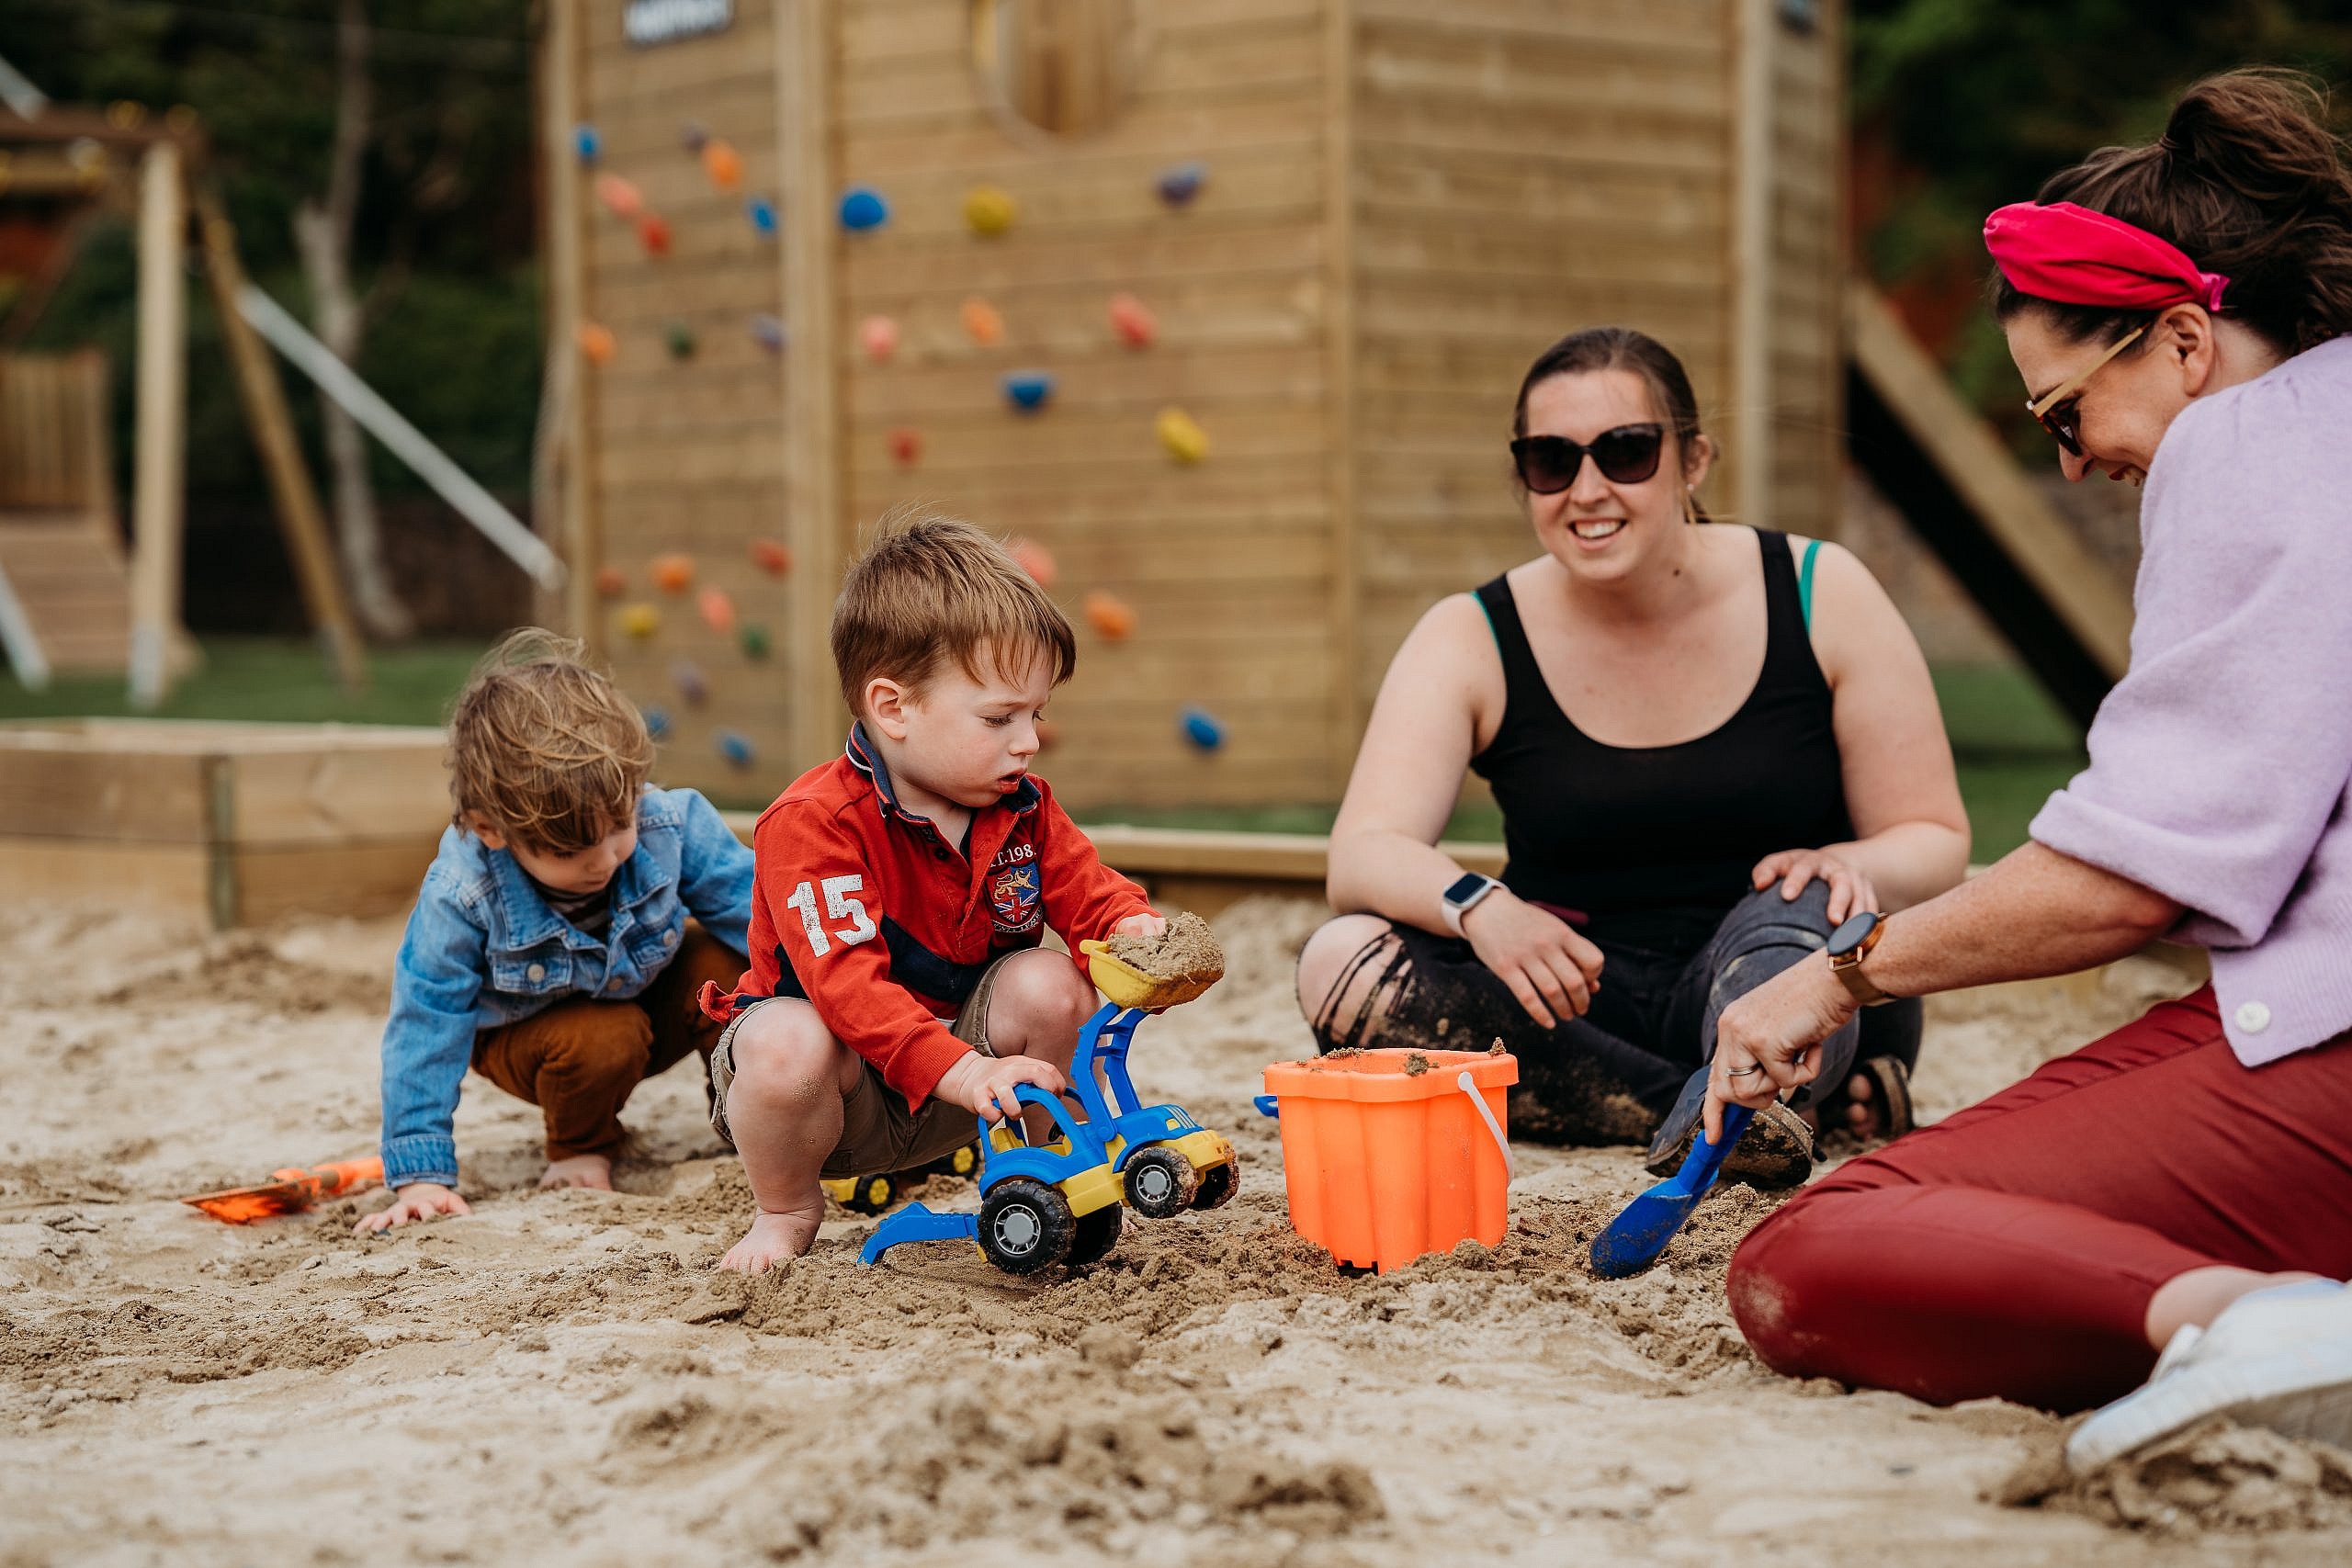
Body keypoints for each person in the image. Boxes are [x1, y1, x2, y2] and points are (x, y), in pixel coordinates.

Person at [1713, 70, 2352, 1470]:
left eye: (2065, 413)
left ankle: (2270, 1328)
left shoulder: (2246, 444)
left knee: (1823, 1241)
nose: (2070, 463)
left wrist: (1838, 973)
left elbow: (2128, 881)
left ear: (2185, 338)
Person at [1295, 327, 1970, 1183]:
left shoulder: (1817, 589)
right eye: (1551, 460)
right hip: (1576, 997)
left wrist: (1844, 861)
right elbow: (1361, 853)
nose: (1588, 489)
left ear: (1692, 460)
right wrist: (1480, 904)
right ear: (1523, 478)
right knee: (1339, 965)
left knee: (1809, 910)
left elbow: (1935, 835)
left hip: (1776, 963)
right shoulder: (1472, 633)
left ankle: (1743, 1091)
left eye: (1626, 452)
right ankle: (1729, 1107)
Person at [700, 513, 1165, 1272]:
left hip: (973, 1100)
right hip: (835, 1100)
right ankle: (784, 1209)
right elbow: (846, 987)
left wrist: (1136, 931)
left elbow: (1090, 892)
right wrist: (968, 1070)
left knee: (1050, 981)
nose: (1029, 739)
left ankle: (1038, 1176)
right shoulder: (813, 824)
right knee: (786, 1042)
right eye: (999, 717)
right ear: (894, 708)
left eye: (1035, 713)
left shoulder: (1023, 806)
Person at [359, 630, 755, 1235]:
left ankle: (750, 1121)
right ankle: (581, 1145)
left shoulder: (670, 823)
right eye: (571, 848)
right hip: (534, 1035)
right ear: (491, 830)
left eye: (619, 825)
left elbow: (764, 921)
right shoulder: (462, 891)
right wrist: (421, 1174)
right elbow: (425, 1021)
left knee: (733, 966)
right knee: (601, 1035)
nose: (605, 858)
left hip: (646, 990)